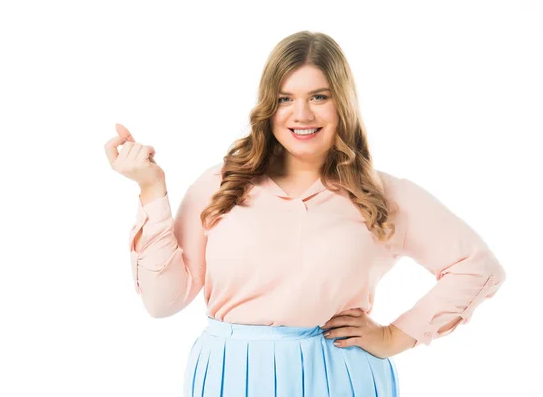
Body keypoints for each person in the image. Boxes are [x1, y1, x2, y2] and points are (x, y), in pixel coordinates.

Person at [104, 31, 506, 396]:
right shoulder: (220, 185)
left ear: (342, 102)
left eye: (319, 96)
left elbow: (477, 265)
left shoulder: (383, 196)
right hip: (229, 376)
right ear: (268, 106)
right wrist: (151, 189)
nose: (302, 115)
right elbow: (161, 303)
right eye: (285, 98)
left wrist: (395, 337)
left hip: (340, 376)